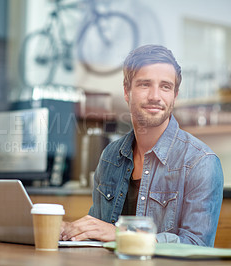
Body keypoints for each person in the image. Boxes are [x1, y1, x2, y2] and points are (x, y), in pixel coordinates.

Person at [60, 44, 224, 247]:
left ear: (175, 95)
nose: (155, 96)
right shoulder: (110, 156)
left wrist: (123, 233)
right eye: (145, 84)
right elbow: (99, 234)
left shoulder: (201, 162)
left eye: (165, 86)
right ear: (127, 92)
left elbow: (196, 245)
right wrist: (71, 231)